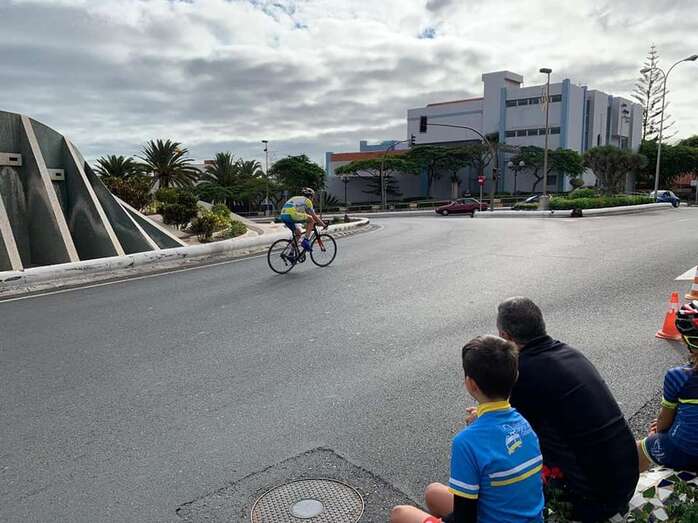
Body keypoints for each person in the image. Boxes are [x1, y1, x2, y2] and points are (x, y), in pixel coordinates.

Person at [497, 297, 638, 522]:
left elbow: (511, 435)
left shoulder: (522, 373)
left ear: (506, 336)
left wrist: (486, 418)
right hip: (628, 476)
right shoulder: (570, 352)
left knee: (511, 453)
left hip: (593, 500)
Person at [391, 335, 544, 523]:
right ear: (516, 376)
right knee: (433, 492)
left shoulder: (466, 442)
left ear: (471, 384)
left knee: (400, 513)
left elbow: (465, 518)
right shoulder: (524, 424)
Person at [638, 300, 698, 473]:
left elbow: (664, 423)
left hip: (684, 452)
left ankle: (626, 490)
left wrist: (658, 431)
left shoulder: (678, 376)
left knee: (639, 449)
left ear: (687, 341)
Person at [279, 187, 326, 252]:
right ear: (310, 196)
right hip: (291, 214)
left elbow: (304, 215)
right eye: (312, 197)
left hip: (283, 215)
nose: (312, 199)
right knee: (311, 220)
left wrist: (311, 223)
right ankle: (305, 241)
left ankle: (291, 253)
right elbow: (313, 216)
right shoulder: (307, 201)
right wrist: (323, 225)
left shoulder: (296, 198)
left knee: (298, 233)